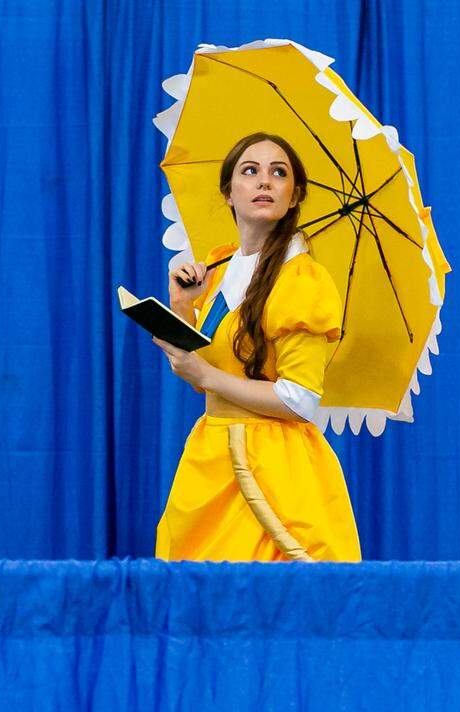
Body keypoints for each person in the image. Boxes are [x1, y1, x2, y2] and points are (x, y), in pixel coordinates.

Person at [153, 132, 361, 562]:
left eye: (278, 173)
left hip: (275, 471)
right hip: (210, 458)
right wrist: (181, 307)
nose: (264, 181)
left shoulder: (302, 281)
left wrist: (206, 375)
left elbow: (299, 399)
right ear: (229, 193)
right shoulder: (222, 266)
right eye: (251, 171)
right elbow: (208, 377)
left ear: (294, 195)